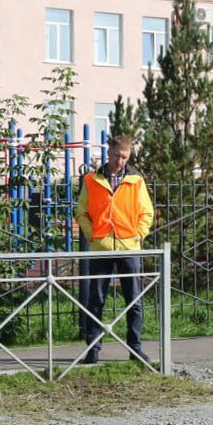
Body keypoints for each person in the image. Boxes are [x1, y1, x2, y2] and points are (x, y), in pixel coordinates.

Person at [74, 135, 154, 364]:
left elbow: (146, 212)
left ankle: (135, 347)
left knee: (134, 300)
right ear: (109, 153)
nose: (121, 161)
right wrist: (91, 234)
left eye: (125, 157)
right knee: (95, 299)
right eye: (118, 156)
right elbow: (82, 212)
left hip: (129, 245)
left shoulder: (136, 181)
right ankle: (93, 348)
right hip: (101, 245)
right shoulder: (91, 180)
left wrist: (139, 233)